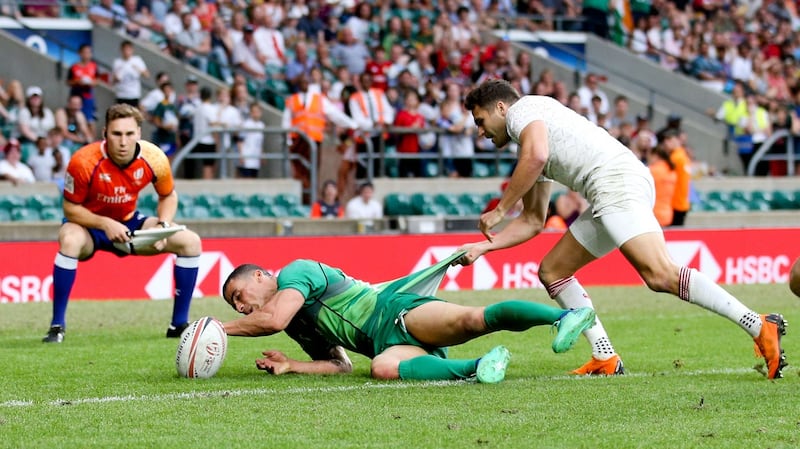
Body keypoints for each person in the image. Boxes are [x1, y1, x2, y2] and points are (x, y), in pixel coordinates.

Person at [458, 79, 788, 379]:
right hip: (611, 188)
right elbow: (532, 221)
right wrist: (485, 247)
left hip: (616, 183)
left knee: (660, 275)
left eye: (480, 121)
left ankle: (759, 324)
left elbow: (537, 156)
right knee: (553, 270)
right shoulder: (531, 137)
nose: (480, 132)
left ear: (500, 107)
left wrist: (500, 208)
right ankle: (605, 357)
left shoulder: (523, 112)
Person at [219, 253, 597, 382]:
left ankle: (564, 315)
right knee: (381, 368)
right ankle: (479, 368)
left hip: (394, 312)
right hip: (388, 345)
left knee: (472, 320)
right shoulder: (301, 324)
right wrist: (293, 366)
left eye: (238, 296)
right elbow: (340, 366)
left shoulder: (294, 272)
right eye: (233, 307)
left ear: (259, 276)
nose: (239, 308)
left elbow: (272, 320)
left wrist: (217, 329)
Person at [43, 104, 202, 343]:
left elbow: (168, 195)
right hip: (89, 227)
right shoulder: (83, 161)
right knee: (69, 239)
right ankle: (57, 326)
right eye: (116, 134)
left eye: (129, 134)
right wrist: (105, 224)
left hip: (130, 225)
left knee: (191, 242)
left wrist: (163, 226)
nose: (123, 141)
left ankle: (178, 324)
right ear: (105, 133)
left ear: (139, 133)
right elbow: (70, 208)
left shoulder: (154, 158)